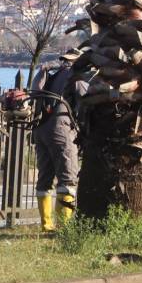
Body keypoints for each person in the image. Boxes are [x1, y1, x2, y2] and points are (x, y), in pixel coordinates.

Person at [31, 54, 89, 233]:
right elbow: (86, 99)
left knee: (45, 178)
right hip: (60, 130)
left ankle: (46, 225)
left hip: (40, 129)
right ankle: (64, 227)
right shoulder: (75, 75)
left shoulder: (50, 73)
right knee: (68, 177)